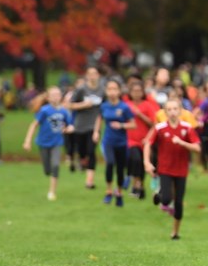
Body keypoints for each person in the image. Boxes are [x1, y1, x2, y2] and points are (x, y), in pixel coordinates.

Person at [144, 97, 201, 239]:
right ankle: (159, 193)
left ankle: (175, 232)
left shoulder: (187, 128)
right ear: (165, 112)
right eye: (169, 109)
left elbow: (197, 148)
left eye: (175, 109)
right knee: (166, 199)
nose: (173, 112)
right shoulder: (160, 128)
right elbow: (147, 144)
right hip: (165, 169)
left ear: (181, 111)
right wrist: (146, 162)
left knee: (179, 202)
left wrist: (183, 143)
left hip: (181, 170)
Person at [22, 86, 74, 200]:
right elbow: (33, 125)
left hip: (57, 143)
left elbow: (70, 125)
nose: (56, 97)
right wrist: (27, 141)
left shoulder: (64, 111)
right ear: (49, 98)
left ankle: (52, 192)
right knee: (47, 170)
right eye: (53, 95)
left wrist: (70, 128)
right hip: (43, 143)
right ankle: (48, 172)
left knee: (55, 165)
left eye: (58, 94)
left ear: (61, 96)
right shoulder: (44, 110)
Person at [96, 78, 136, 207]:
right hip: (108, 141)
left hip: (121, 142)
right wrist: (96, 132)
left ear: (119, 91)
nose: (112, 92)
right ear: (106, 91)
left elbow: (133, 124)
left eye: (115, 89)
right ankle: (108, 191)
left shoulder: (124, 107)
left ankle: (118, 192)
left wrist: (122, 125)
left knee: (120, 169)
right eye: (109, 89)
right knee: (110, 163)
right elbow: (99, 119)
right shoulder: (104, 106)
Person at [67, 66, 105, 189]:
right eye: (90, 74)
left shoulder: (102, 90)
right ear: (87, 76)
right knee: (82, 151)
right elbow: (70, 105)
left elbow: (104, 108)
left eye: (95, 73)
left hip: (94, 126)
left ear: (98, 75)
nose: (93, 76)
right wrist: (83, 104)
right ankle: (82, 159)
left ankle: (89, 181)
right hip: (80, 125)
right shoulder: (81, 90)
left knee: (91, 151)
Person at [125, 79, 159, 200]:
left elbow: (154, 123)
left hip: (144, 140)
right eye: (134, 91)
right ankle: (137, 184)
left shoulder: (147, 105)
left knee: (143, 163)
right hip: (130, 139)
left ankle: (140, 187)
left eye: (139, 91)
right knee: (136, 160)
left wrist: (140, 115)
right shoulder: (126, 105)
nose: (136, 93)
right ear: (130, 92)